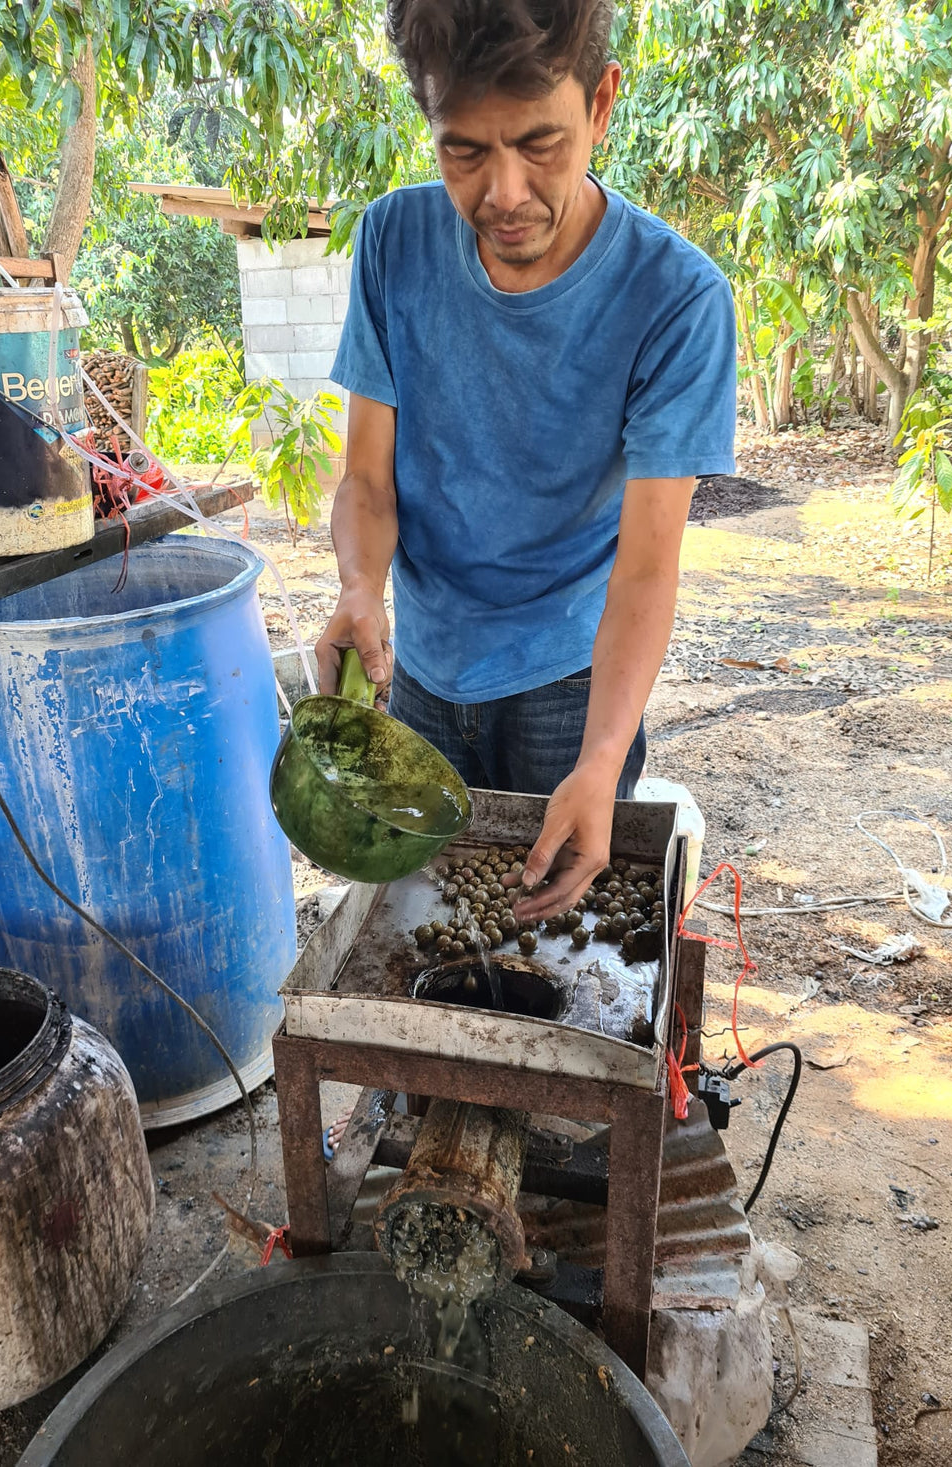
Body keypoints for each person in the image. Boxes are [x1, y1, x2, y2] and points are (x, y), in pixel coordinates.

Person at [315, 0, 736, 925]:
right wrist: (358, 585)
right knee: (430, 929)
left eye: (540, 144)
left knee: (574, 945)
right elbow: (369, 481)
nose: (504, 193)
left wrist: (598, 762)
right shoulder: (392, 244)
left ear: (603, 105)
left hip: (573, 683)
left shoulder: (678, 300)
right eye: (465, 150)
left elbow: (647, 563)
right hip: (423, 673)